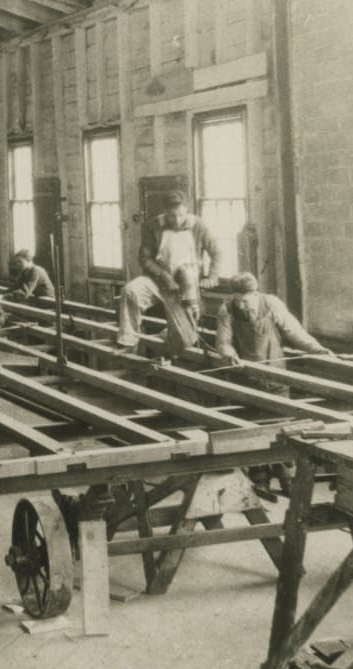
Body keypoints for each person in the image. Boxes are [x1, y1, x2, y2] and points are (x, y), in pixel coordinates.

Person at [216, 272, 335, 497]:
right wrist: (228, 353)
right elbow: (223, 341)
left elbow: (294, 331)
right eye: (237, 300)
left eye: (245, 301)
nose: (241, 305)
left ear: (255, 293)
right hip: (246, 379)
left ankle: (286, 477)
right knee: (252, 428)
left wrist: (318, 349)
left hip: (275, 376)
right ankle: (260, 478)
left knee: (282, 426)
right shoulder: (227, 309)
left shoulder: (271, 304)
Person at [117, 191, 222, 348]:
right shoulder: (153, 225)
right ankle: (127, 341)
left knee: (185, 339)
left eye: (181, 215)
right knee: (130, 291)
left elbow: (217, 253)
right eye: (172, 216)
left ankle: (168, 335)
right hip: (157, 280)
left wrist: (212, 276)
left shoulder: (198, 225)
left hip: (185, 285)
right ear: (165, 212)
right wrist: (163, 275)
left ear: (186, 210)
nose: (177, 220)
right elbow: (145, 258)